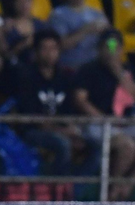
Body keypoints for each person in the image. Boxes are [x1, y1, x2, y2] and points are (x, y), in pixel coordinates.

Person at [73, 29, 135, 201]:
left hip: (124, 123)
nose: (112, 51)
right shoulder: (89, 70)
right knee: (128, 147)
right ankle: (111, 193)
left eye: (116, 47)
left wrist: (118, 72)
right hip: (97, 124)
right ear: (100, 48)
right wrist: (103, 119)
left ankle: (126, 186)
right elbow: (80, 100)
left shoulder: (126, 70)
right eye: (108, 47)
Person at [16, 30, 99, 177]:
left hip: (61, 129)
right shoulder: (26, 76)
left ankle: (73, 191)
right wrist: (62, 132)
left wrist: (72, 130)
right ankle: (55, 189)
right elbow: (32, 117)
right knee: (63, 144)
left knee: (97, 146)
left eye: (54, 48)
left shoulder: (65, 78)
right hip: (32, 131)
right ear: (36, 52)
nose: (49, 53)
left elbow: (69, 111)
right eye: (44, 48)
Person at [49, 0, 108, 70]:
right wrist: (85, 31)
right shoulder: (58, 15)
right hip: (70, 68)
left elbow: (112, 39)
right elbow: (60, 45)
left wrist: (112, 50)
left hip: (95, 67)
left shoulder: (97, 14)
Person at [4, 0, 48, 65]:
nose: (24, 4)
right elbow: (5, 55)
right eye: (20, 1)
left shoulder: (39, 25)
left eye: (27, 1)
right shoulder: (7, 25)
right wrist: (23, 45)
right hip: (15, 66)